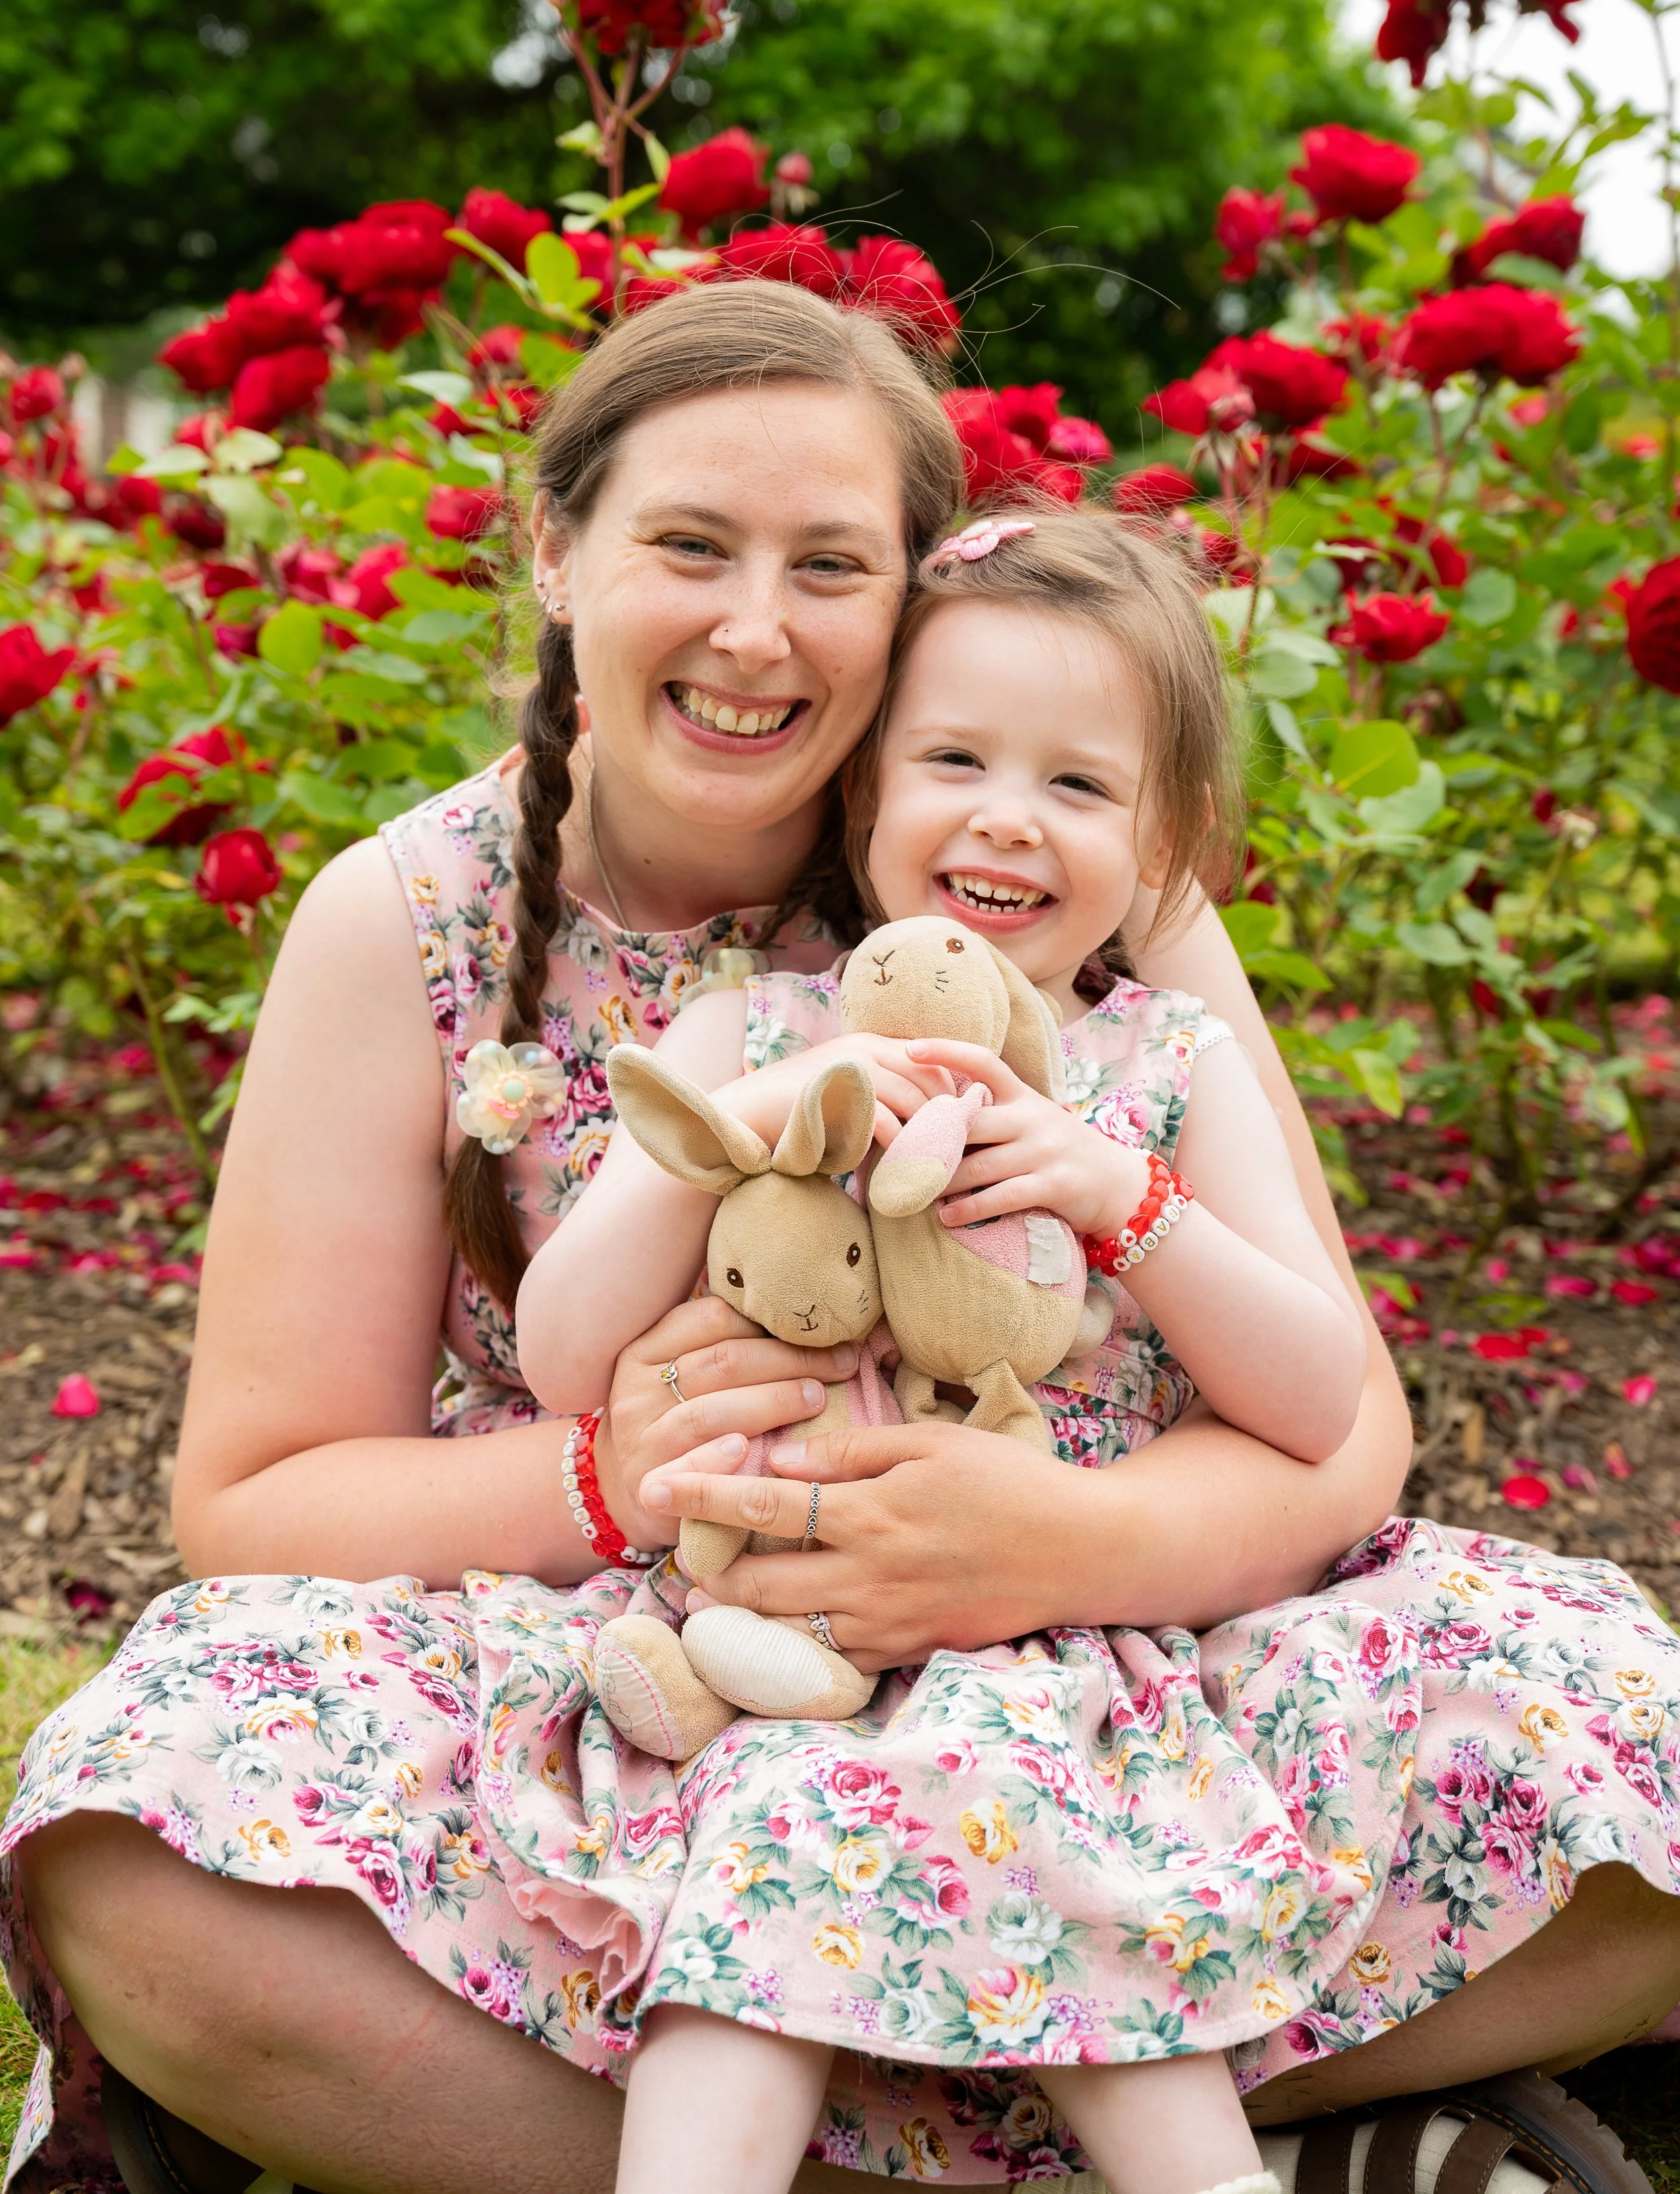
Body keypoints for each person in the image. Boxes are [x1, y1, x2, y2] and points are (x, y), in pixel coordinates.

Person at [3, 281, 1675, 2194]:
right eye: (688, 547)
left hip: (1104, 1655)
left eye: (828, 566)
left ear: (912, 598)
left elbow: (1342, 1422)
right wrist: (610, 1477)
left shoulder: (1064, 873)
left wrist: (1059, 1546)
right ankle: (1201, 2136)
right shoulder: (409, 915)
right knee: (143, 1866)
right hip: (637, 1656)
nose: (752, 628)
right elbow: (257, 1499)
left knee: (1624, 1754)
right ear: (555, 551)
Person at [517, 510, 1373, 2194]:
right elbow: (560, 1355)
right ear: (865, 793)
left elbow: (1317, 1392)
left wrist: (1131, 1207)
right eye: (955, 760)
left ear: (1167, 838)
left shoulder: (1168, 1064)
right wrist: (741, 1132)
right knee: (743, 1940)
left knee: (1105, 1939)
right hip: (769, 1635)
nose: (1004, 815)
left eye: (1076, 785)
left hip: (1048, 1637)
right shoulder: (748, 1033)